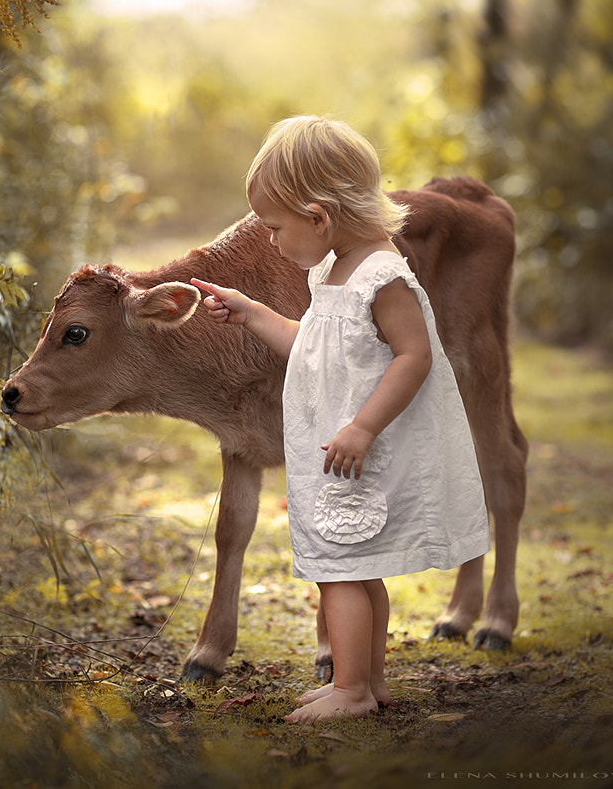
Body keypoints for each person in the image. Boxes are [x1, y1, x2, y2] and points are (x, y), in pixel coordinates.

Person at [191, 116, 489, 722]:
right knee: (357, 566)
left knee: (341, 572)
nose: (270, 242)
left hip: (358, 452)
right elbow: (317, 344)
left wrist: (363, 427)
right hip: (341, 453)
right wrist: (252, 314)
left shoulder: (382, 275)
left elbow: (415, 356)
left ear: (319, 216)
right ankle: (367, 682)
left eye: (275, 227)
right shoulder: (332, 269)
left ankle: (350, 689)